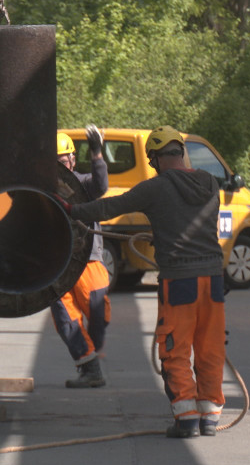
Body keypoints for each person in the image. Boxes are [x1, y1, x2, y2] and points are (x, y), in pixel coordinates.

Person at [60, 125, 226, 438]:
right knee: (210, 347)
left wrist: (72, 209)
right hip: (214, 280)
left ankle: (187, 419)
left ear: (155, 159)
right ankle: (210, 417)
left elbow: (110, 206)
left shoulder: (156, 187)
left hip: (180, 281)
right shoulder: (209, 182)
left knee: (175, 348)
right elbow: (191, 223)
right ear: (181, 151)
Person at [50, 126, 111, 388]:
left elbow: (101, 185)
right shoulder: (42, 191)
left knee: (98, 313)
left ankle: (92, 354)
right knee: (67, 318)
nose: (62, 168)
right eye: (56, 163)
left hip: (89, 260)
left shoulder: (83, 184)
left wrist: (96, 153)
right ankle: (90, 367)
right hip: (57, 266)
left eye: (65, 161)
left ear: (73, 160)